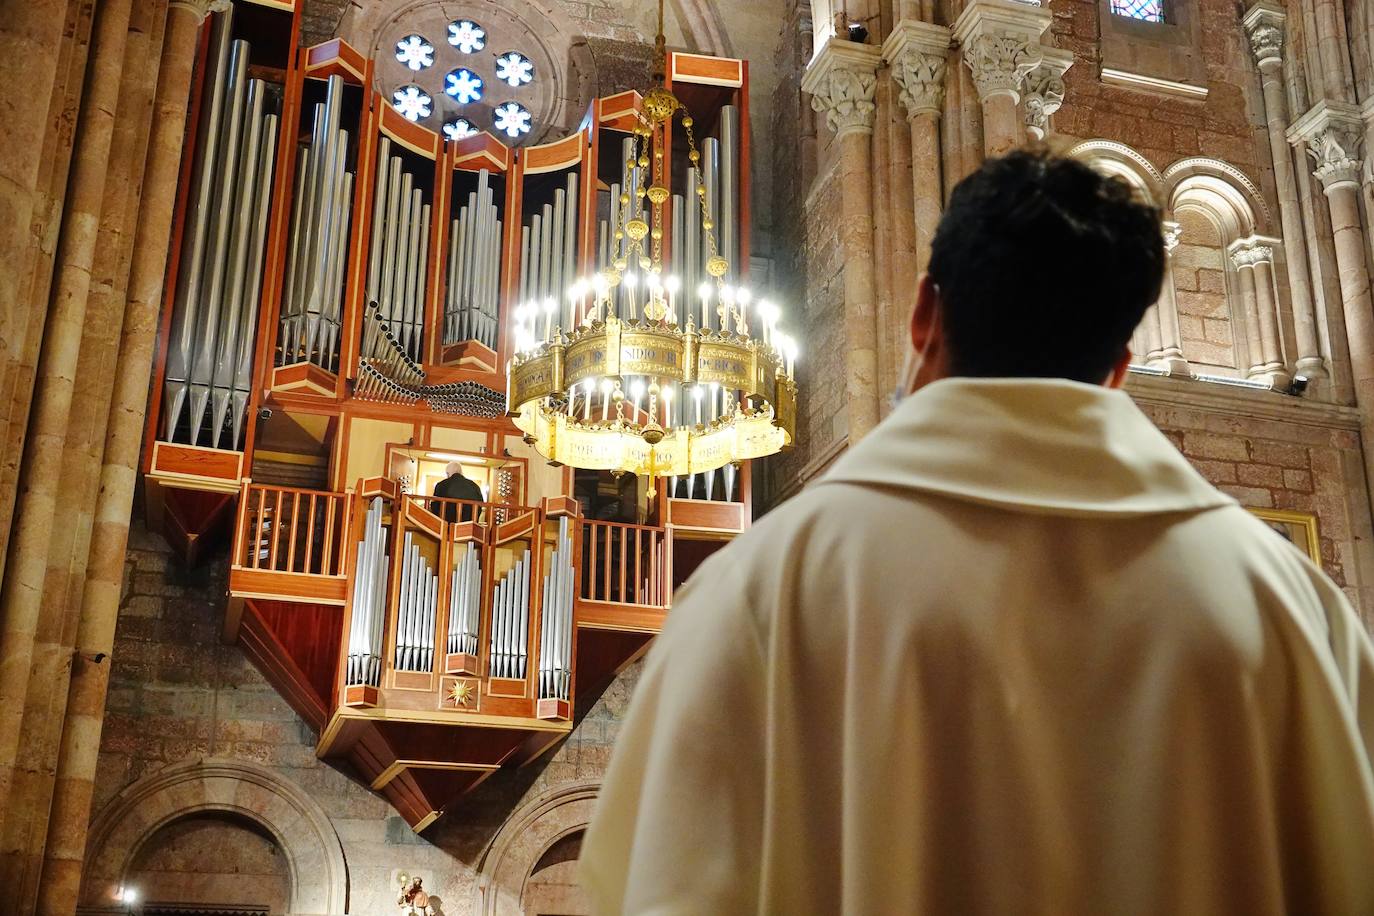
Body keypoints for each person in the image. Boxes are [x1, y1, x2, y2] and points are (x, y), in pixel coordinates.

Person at [581, 150, 1374, 914]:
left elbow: (658, 888)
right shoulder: (1291, 606)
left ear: (926, 311)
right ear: (1122, 362)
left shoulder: (757, 590)